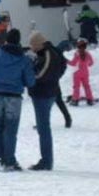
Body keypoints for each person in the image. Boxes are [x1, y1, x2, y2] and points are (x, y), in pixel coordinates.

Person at [0, 29, 35, 171]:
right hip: (14, 97)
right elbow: (30, 81)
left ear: (6, 40)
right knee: (10, 130)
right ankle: (8, 161)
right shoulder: (24, 59)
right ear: (19, 41)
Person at [27, 31, 66, 171]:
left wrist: (29, 79)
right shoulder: (49, 51)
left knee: (43, 129)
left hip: (44, 94)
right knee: (43, 127)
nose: (31, 47)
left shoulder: (49, 54)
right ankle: (46, 160)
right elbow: (63, 65)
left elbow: (41, 74)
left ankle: (46, 161)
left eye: (32, 45)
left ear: (38, 44)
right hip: (47, 92)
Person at [67, 39, 95, 105]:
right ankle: (90, 100)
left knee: (76, 87)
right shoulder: (88, 54)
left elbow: (73, 63)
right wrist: (86, 64)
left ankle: (75, 100)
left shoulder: (77, 54)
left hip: (77, 73)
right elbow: (91, 63)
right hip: (85, 73)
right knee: (87, 86)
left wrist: (66, 61)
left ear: (77, 46)